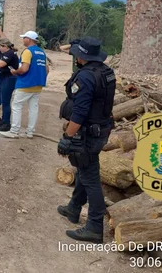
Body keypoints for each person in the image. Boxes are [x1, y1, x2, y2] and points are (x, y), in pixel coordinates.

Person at [56, 37, 115, 243]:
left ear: (81, 56)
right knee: (84, 170)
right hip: (101, 129)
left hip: (88, 132)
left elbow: (79, 113)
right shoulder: (105, 71)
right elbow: (67, 50)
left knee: (90, 179)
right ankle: (73, 208)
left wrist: (67, 137)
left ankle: (94, 227)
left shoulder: (86, 77)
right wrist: (75, 43)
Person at [0, 30, 49, 139]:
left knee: (16, 106)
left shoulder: (28, 52)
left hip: (26, 83)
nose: (23, 40)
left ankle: (14, 131)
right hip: (38, 84)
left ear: (29, 39)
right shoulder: (41, 52)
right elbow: (47, 69)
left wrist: (15, 72)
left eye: (24, 38)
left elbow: (24, 69)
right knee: (33, 108)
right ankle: (30, 132)